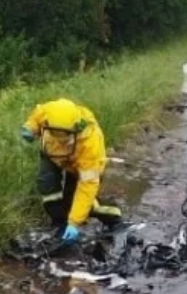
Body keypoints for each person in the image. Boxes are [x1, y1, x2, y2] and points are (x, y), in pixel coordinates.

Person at [20, 97, 122, 243]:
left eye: (63, 135)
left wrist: (74, 222)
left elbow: (86, 186)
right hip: (51, 155)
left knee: (76, 200)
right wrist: (30, 127)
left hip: (79, 166)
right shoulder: (51, 112)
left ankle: (113, 216)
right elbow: (38, 115)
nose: (59, 138)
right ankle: (59, 222)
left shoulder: (90, 145)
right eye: (54, 133)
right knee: (47, 186)